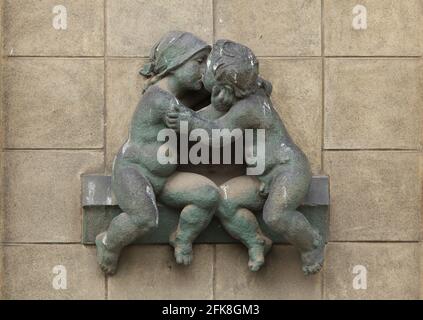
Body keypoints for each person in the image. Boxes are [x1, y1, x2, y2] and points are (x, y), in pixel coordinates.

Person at [167, 40, 324, 274]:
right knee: (227, 201)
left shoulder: (250, 108)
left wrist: (187, 121)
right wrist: (210, 108)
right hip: (267, 177)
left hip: (289, 170)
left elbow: (217, 134)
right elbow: (221, 116)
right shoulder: (249, 95)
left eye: (207, 68)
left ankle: (311, 244)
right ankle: (256, 241)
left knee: (276, 215)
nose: (203, 71)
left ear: (224, 86)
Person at [96, 31, 220, 275]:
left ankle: (182, 237)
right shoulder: (160, 100)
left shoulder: (173, 99)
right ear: (176, 63)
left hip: (162, 178)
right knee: (144, 218)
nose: (203, 70)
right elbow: (201, 125)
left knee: (207, 196)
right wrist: (232, 99)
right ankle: (109, 242)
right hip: (134, 172)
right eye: (198, 62)